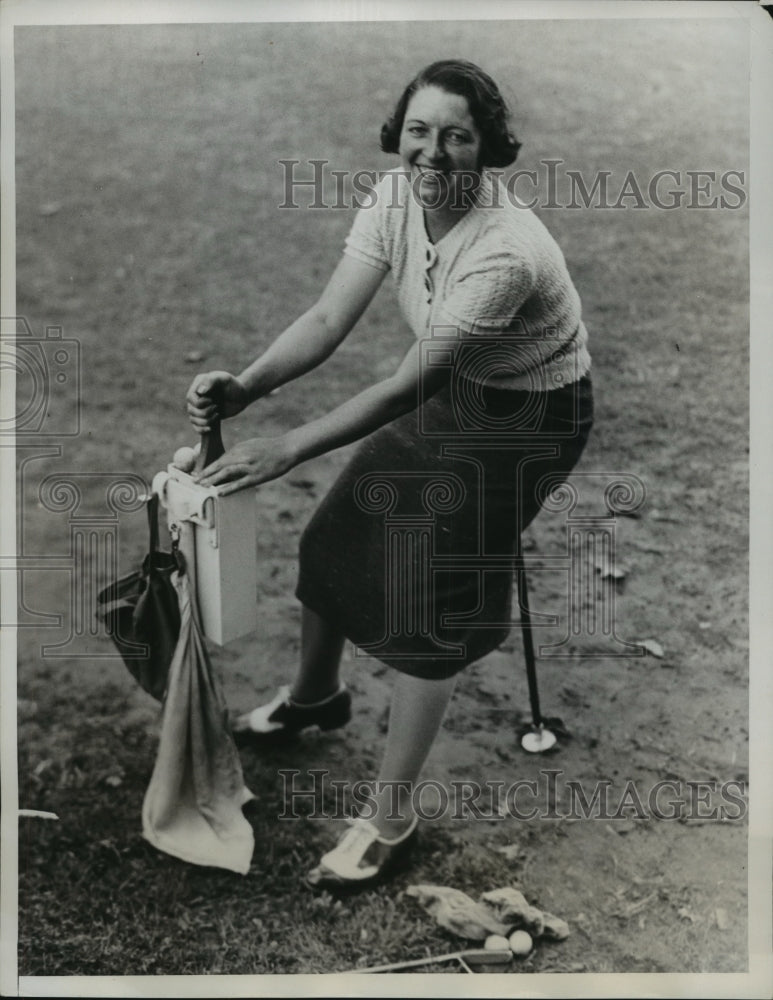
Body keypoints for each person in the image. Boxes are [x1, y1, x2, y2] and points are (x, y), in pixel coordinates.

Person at [186, 59, 593, 889]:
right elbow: (331, 316)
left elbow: (409, 383)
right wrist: (247, 385)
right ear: (397, 132)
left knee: (427, 600)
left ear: (486, 147)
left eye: (455, 136)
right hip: (454, 391)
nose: (431, 153)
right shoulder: (393, 197)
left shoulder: (506, 253)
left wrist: (289, 445)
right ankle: (314, 698)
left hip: (527, 418)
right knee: (334, 535)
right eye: (418, 130)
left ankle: (391, 817)